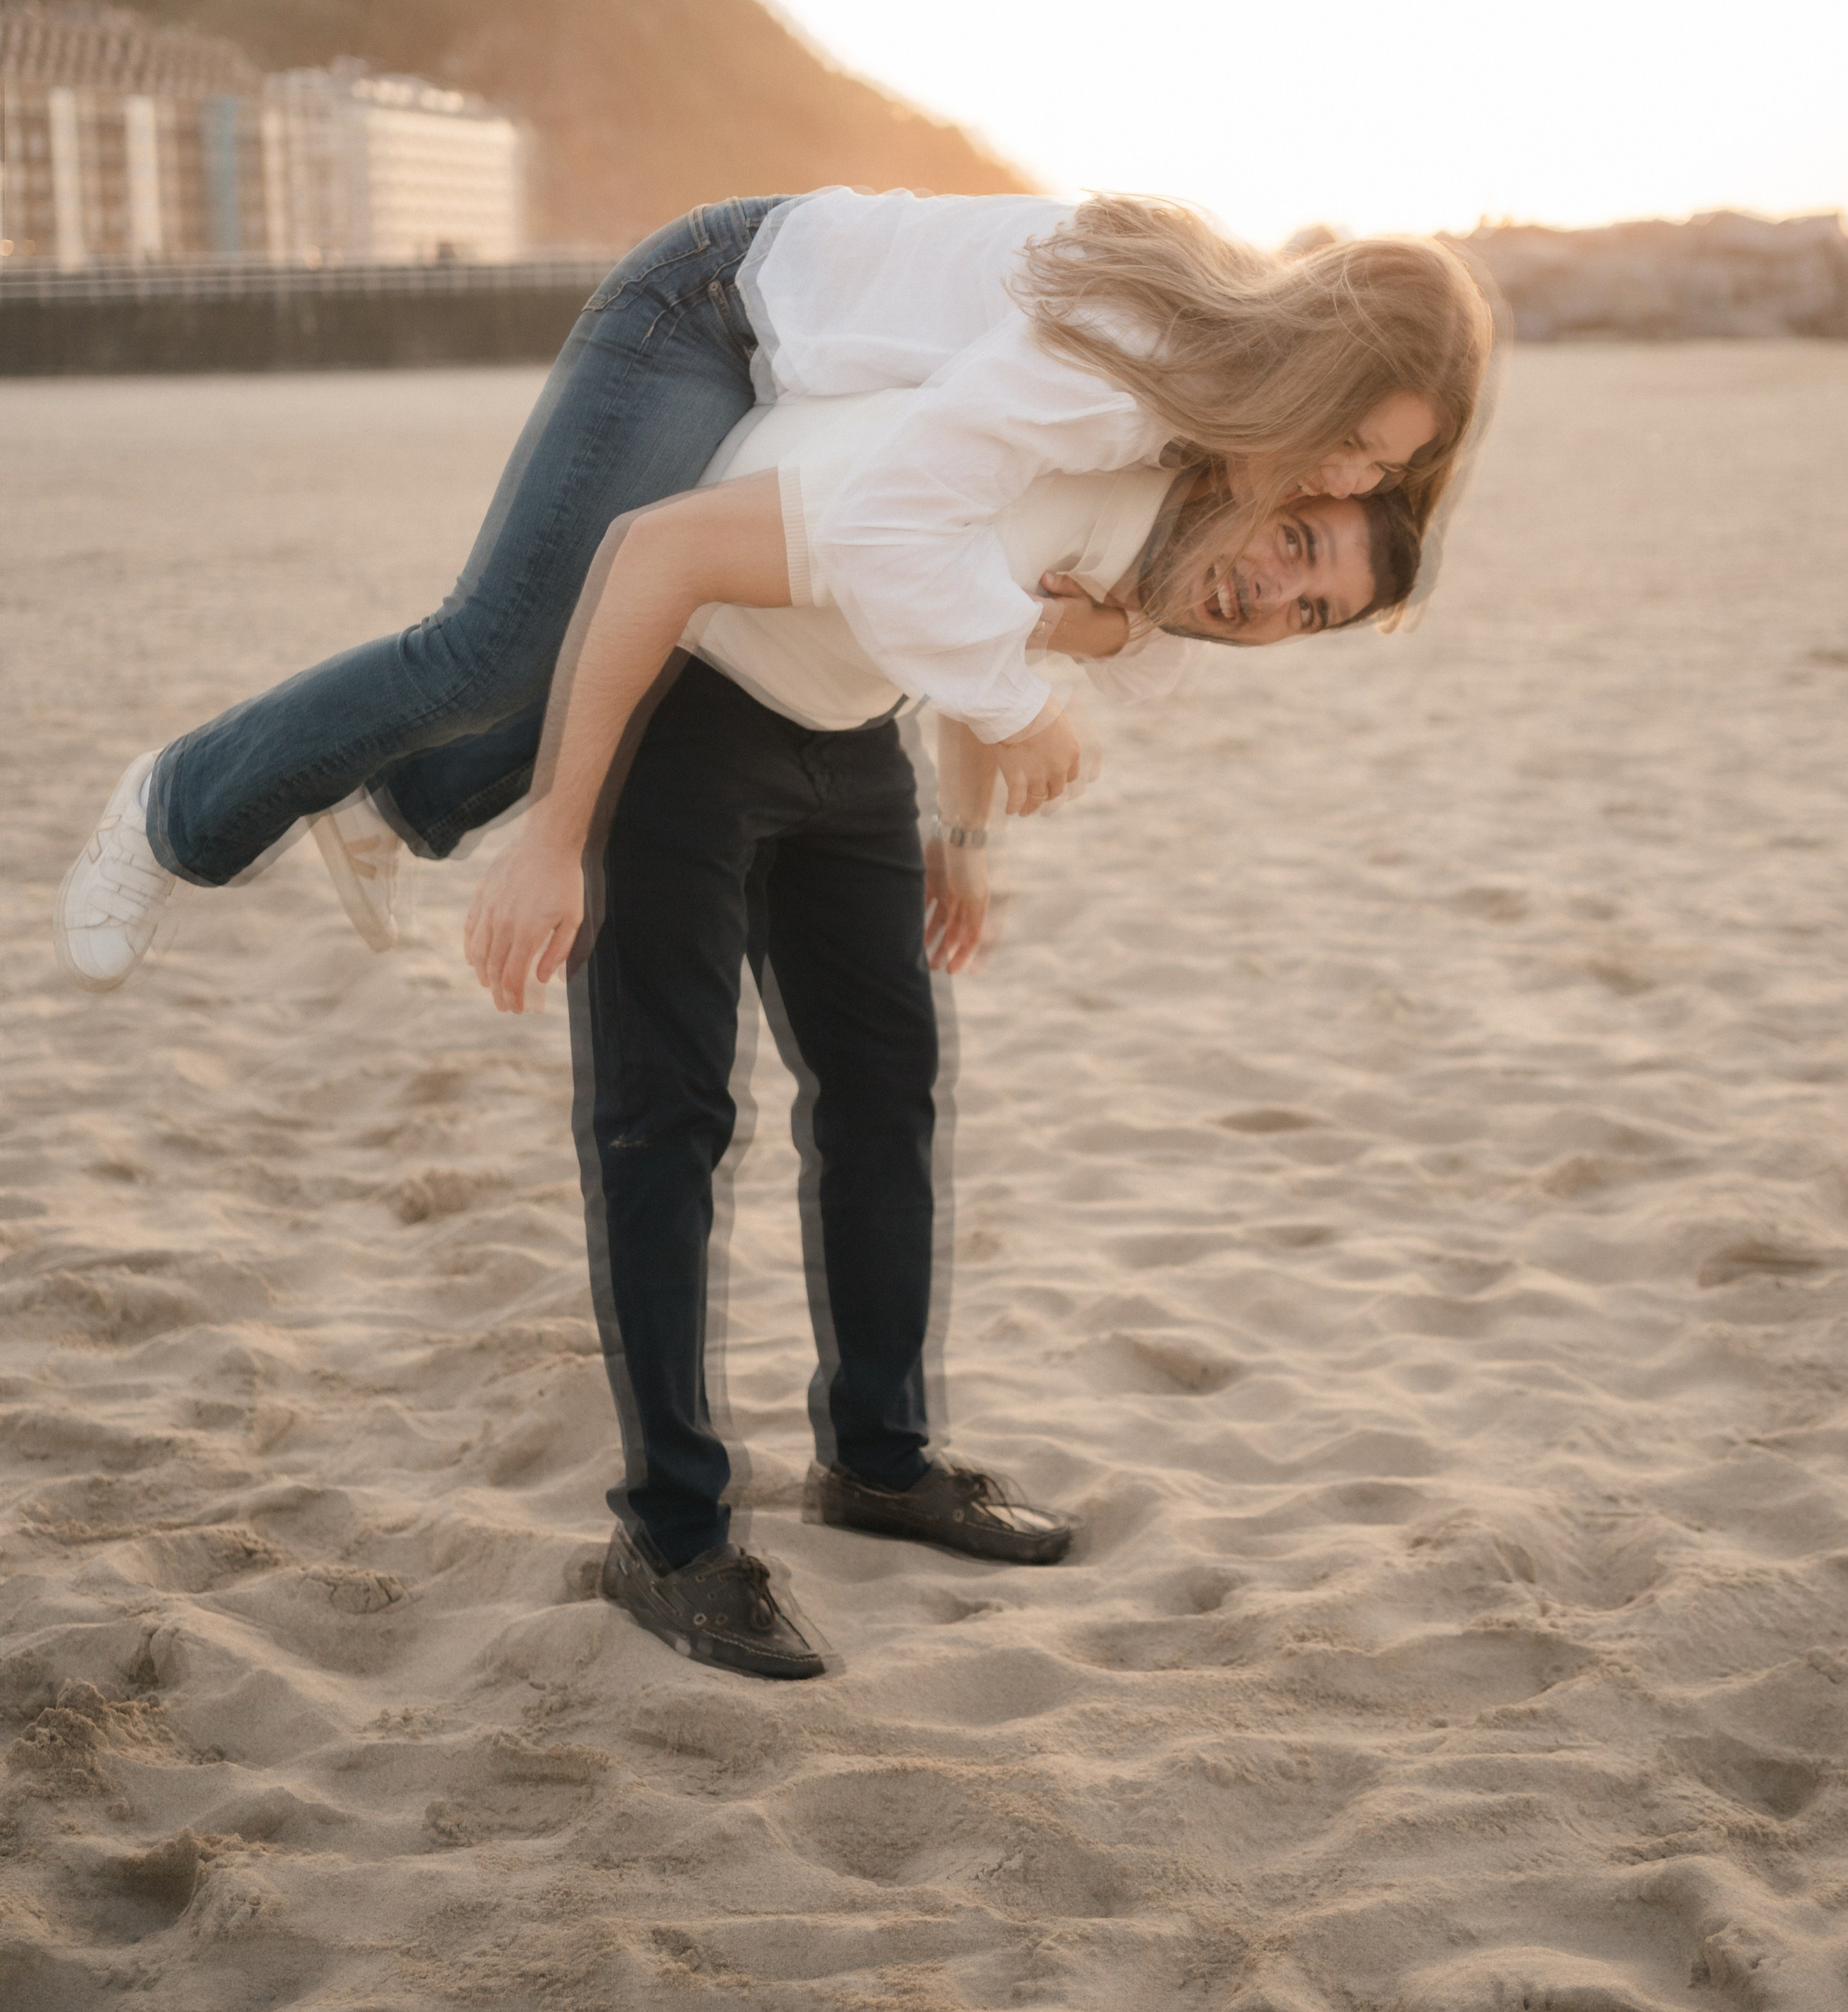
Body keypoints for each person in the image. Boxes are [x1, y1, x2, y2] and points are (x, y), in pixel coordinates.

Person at [466, 388, 1420, 1678]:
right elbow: (927, 548)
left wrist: (961, 833)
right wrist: (559, 835)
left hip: (853, 743)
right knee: (667, 1122)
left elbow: (982, 624)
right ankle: (673, 1538)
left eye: (1314, 612)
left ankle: (879, 1461)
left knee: (887, 1094)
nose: (1273, 597)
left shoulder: (1151, 578)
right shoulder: (1108, 456)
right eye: (1299, 550)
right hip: (687, 711)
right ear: (1277, 486)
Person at [55, 185, 1486, 998]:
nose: (1352, 485)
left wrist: (1016, 742)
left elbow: (1067, 598)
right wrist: (1009, 695)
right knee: (505, 643)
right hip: (712, 309)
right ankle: (175, 808)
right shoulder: (1123, 367)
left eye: (1381, 478)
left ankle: (394, 813)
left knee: (720, 632)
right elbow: (896, 536)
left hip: (795, 371)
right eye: (1361, 447)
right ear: (1318, 369)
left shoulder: (1202, 429)